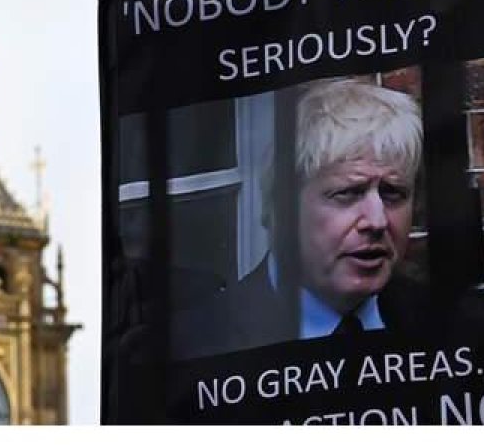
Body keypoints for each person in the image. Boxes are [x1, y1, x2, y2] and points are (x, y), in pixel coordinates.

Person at [171, 78, 432, 359]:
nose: (377, 221)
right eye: (348, 193)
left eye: (393, 193)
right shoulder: (192, 347)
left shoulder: (440, 318)